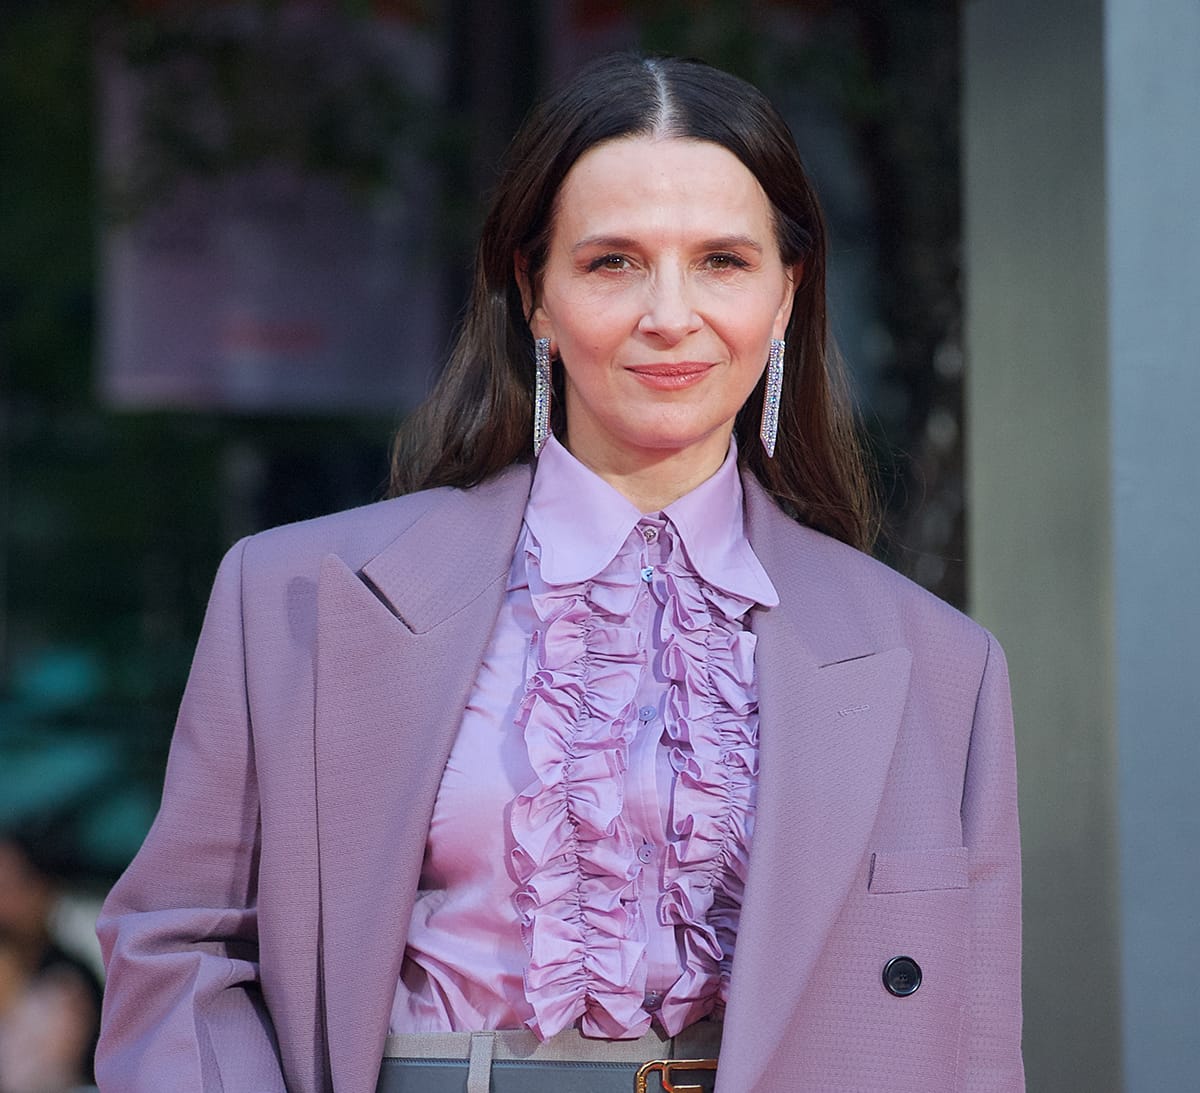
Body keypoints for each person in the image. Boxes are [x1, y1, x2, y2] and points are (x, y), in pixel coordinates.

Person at [95, 53, 1023, 1093]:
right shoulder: (295, 596)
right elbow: (178, 954)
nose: (670, 315)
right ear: (535, 292)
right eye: (613, 262)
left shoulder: (938, 663)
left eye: (722, 260)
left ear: (787, 294)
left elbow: (968, 1044)